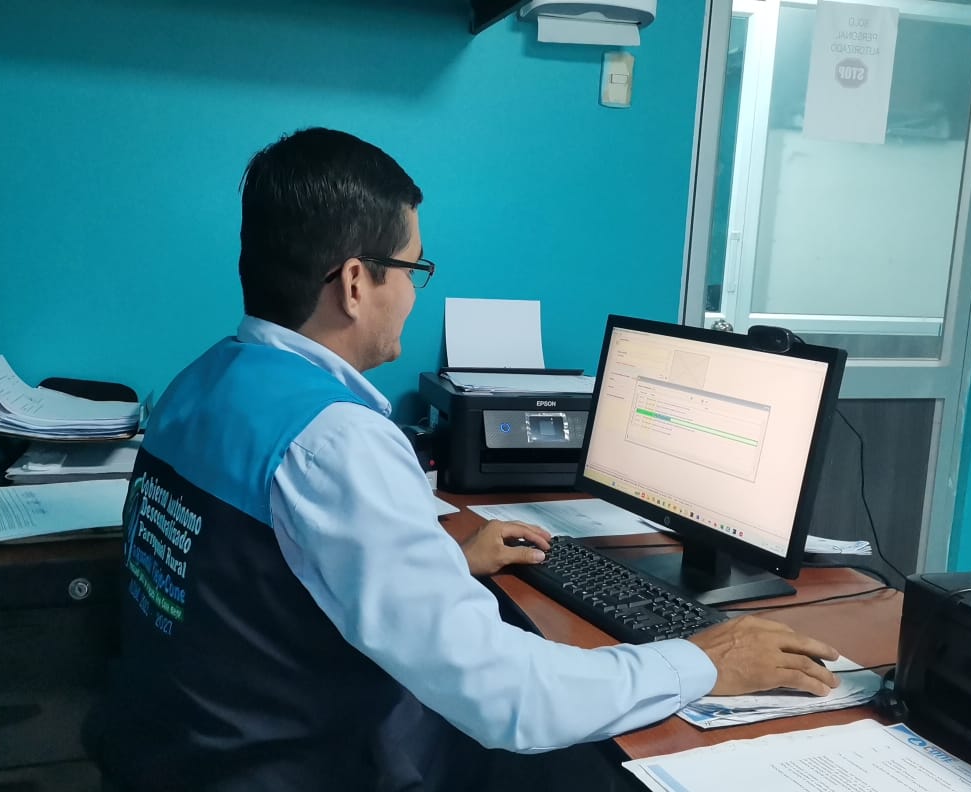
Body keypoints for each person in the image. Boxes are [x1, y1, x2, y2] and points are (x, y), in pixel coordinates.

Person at [84, 127, 841, 791]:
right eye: (413, 270)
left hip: (185, 750)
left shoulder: (200, 383)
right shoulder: (334, 441)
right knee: (590, 767)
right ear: (356, 283)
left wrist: (441, 562)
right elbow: (511, 699)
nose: (415, 295)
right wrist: (705, 659)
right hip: (295, 767)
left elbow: (256, 580)